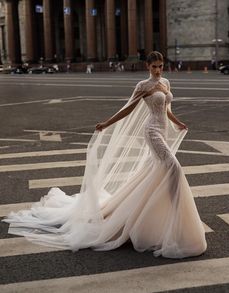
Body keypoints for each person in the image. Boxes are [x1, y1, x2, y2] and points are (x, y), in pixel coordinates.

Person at [3, 51, 207, 259]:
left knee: (155, 172)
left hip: (162, 129)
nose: (157, 70)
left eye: (160, 66)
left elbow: (166, 108)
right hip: (152, 131)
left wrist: (177, 122)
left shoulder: (166, 82)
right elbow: (127, 109)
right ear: (147, 66)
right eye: (154, 66)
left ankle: (142, 213)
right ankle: (175, 212)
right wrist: (107, 123)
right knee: (173, 167)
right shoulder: (143, 86)